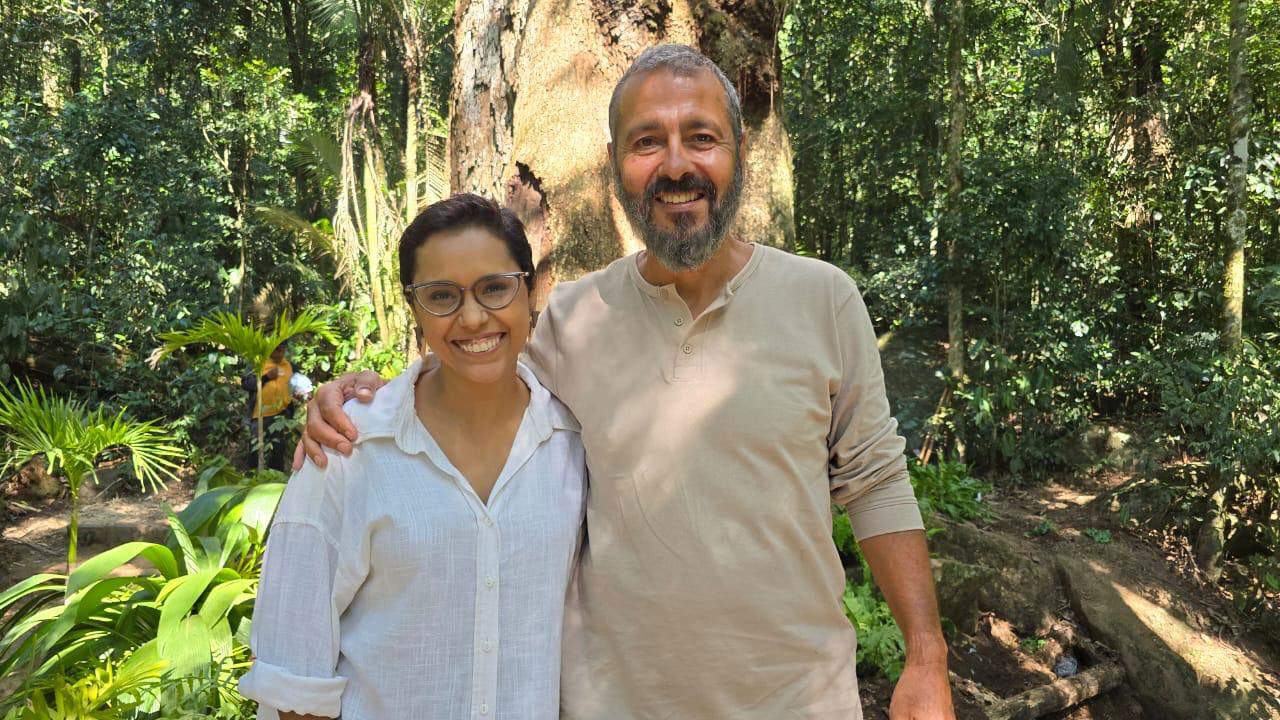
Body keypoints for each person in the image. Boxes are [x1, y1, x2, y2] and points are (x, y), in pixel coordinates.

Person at [299, 45, 955, 719]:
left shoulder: (824, 300)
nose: (676, 165)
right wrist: (365, 399)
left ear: (741, 156)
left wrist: (926, 658)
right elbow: (471, 384)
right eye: (647, 142)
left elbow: (875, 481)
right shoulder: (571, 321)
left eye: (702, 138)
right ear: (614, 167)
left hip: (799, 699)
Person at [239, 194, 587, 719]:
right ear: (415, 309)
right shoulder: (349, 447)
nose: (473, 317)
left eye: (495, 288)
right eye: (441, 296)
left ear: (528, 290)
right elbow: (294, 682)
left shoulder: (574, 439)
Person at [241, 342, 310, 472]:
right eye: (275, 350)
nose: (278, 353)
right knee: (255, 448)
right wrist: (267, 377)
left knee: (278, 448)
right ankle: (251, 476)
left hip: (281, 415)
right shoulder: (259, 364)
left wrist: (301, 394)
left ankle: (275, 477)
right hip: (259, 415)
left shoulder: (290, 366)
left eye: (281, 350)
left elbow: (299, 386)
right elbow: (246, 384)